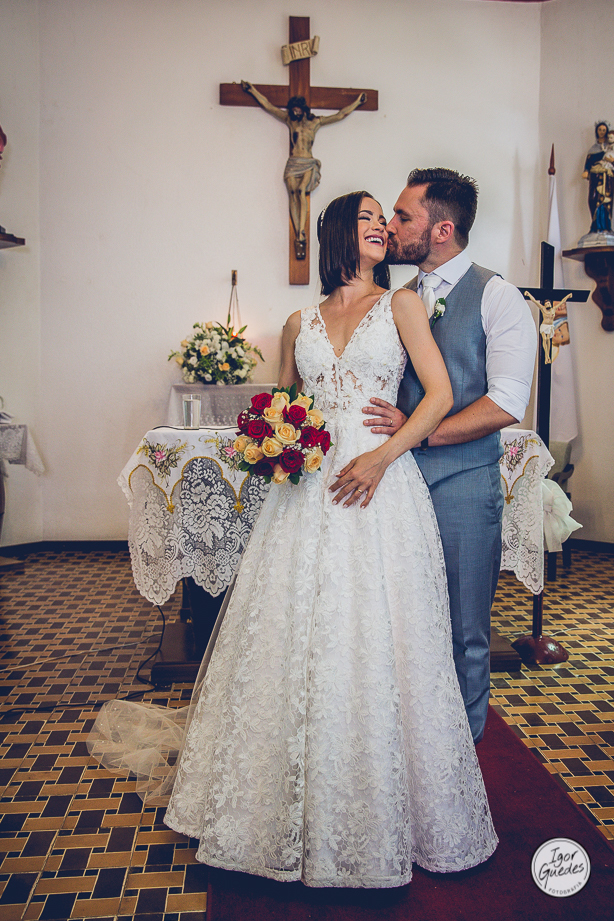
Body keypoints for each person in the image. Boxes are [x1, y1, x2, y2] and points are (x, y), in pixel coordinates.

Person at [158, 190, 498, 888]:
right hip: (307, 491)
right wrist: (271, 439)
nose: (381, 227)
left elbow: (437, 396)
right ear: (339, 231)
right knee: (294, 629)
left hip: (379, 485)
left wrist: (382, 457)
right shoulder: (297, 322)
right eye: (368, 217)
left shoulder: (401, 305)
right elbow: (283, 404)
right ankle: (274, 803)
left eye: (384, 220)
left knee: (376, 631)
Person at [355, 169, 536, 744]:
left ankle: (464, 753)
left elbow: (506, 402)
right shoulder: (395, 300)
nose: (390, 225)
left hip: (462, 484)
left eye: (403, 216)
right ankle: (403, 746)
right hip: (392, 482)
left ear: (442, 230)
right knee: (395, 623)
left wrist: (420, 434)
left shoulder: (498, 297)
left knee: (464, 629)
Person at [240, 81, 366, 258]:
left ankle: (301, 232)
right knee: (292, 193)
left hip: (307, 162)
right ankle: (297, 231)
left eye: (298, 109)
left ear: (303, 109)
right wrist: (252, 90)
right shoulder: (290, 121)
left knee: (301, 191)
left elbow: (340, 115)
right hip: (293, 163)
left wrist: (357, 102)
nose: (295, 112)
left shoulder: (315, 122)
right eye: (293, 110)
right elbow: (268, 105)